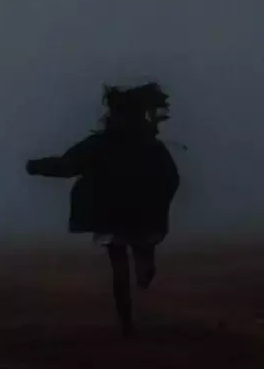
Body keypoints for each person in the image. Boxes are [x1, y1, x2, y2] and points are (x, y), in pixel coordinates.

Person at [25, 82, 180, 336]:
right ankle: (136, 291)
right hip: (138, 216)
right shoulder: (150, 147)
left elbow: (67, 165)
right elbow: (171, 179)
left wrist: (35, 167)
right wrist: (159, 206)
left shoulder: (101, 144)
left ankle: (126, 320)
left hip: (113, 217)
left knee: (119, 267)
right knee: (136, 254)